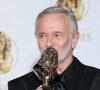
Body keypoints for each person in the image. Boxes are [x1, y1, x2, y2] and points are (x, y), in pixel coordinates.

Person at [8, 6, 100, 90]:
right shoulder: (19, 86)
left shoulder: (97, 80)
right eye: (42, 36)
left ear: (74, 39)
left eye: (57, 35)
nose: (49, 43)